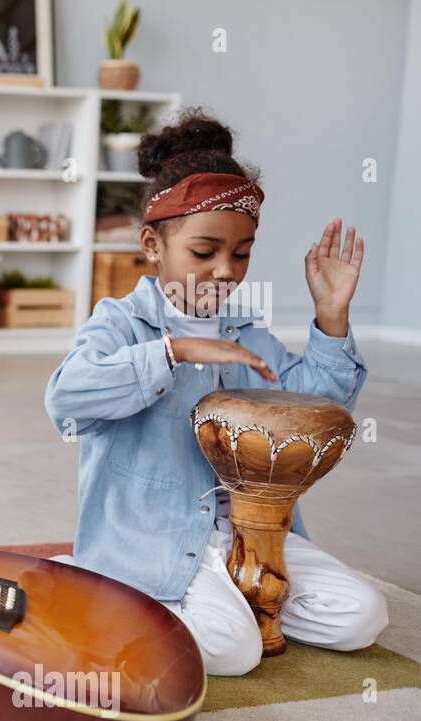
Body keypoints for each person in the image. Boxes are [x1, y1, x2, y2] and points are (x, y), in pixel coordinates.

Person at [44, 108, 387, 676]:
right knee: (233, 650)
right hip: (157, 536)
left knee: (361, 618)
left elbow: (315, 411)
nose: (226, 270)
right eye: (205, 252)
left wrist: (331, 316)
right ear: (153, 245)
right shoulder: (121, 322)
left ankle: (227, 596)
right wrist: (175, 351)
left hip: (253, 532)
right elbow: (66, 399)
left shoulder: (247, 334)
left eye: (242, 252)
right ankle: (107, 584)